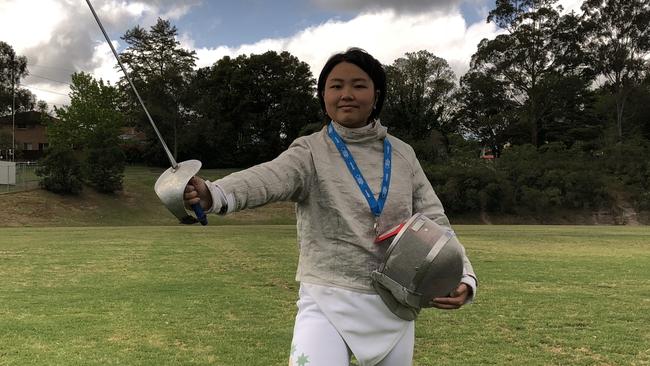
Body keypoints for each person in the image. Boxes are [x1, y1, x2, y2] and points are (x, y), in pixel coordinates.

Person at [184, 47, 477, 366]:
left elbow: (435, 220)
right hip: (325, 297)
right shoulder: (309, 151)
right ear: (323, 94)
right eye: (336, 86)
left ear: (376, 94)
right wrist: (213, 193)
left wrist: (463, 274)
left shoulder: (403, 155)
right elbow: (267, 178)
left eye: (359, 85)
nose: (346, 94)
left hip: (394, 303)